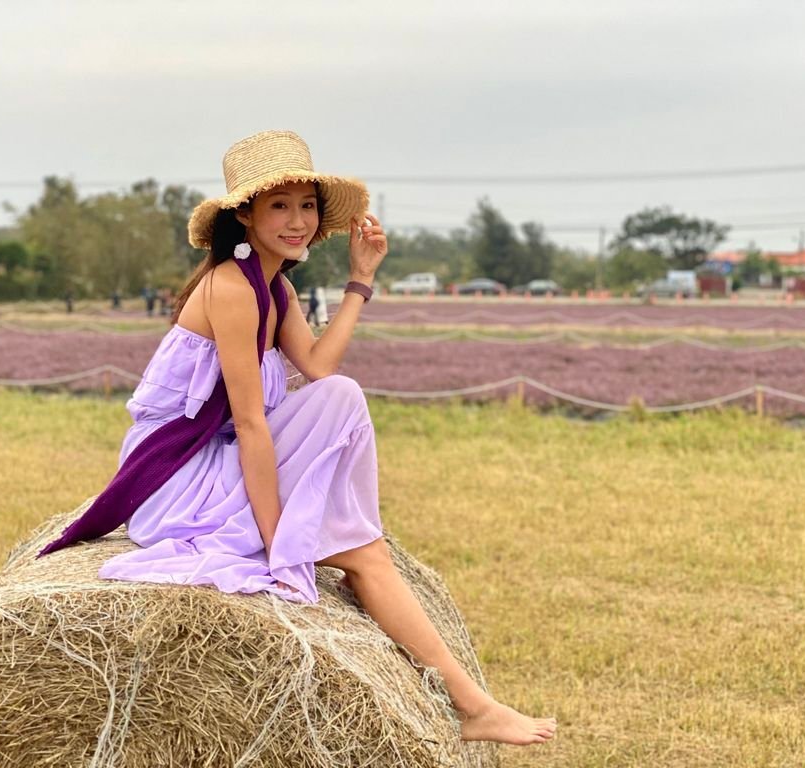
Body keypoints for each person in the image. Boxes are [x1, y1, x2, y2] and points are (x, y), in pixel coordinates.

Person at [36, 130, 556, 746]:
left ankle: (460, 689)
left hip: (219, 451)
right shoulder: (231, 289)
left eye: (306, 206)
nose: (297, 220)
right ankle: (471, 706)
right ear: (245, 215)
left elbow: (317, 367)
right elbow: (252, 423)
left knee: (343, 399)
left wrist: (360, 281)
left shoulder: (273, 287)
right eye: (279, 206)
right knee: (364, 556)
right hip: (178, 474)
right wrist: (281, 537)